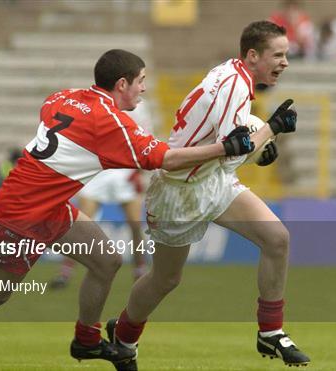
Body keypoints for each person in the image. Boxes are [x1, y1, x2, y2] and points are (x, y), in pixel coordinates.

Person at [0, 49, 255, 371]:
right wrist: (223, 147)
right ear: (122, 84)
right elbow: (164, 159)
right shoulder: (110, 122)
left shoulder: (66, 96)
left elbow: (49, 111)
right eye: (141, 81)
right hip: (22, 210)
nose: (144, 89)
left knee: (106, 260)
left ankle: (86, 339)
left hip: (49, 205)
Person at [106, 21, 310, 371]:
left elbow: (234, 141)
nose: (285, 62)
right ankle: (123, 337)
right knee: (165, 279)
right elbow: (234, 149)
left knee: (277, 239)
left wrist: (263, 144)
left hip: (213, 181)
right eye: (278, 55)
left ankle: (270, 331)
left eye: (286, 55)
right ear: (252, 55)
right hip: (179, 191)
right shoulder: (234, 84)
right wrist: (270, 129)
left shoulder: (235, 76)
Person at [50, 104, 155, 289]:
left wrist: (139, 170)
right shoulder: (98, 104)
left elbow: (146, 139)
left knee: (135, 224)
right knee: (80, 224)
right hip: (98, 171)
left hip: (124, 171)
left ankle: (140, 270)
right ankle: (65, 273)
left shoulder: (138, 107)